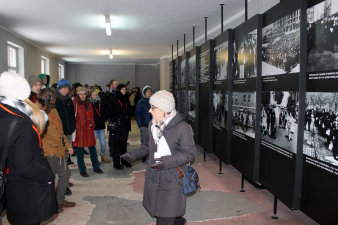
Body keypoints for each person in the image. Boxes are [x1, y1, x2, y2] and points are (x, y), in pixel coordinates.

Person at [121, 90, 195, 225]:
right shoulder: (153, 125)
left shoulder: (183, 128)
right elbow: (148, 147)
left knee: (164, 214)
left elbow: (189, 154)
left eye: (153, 108)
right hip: (154, 176)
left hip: (172, 179)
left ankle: (174, 219)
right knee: (160, 209)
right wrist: (132, 155)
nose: (150, 111)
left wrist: (165, 162)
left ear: (164, 110)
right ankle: (177, 220)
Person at [0, 72, 57, 225]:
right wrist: (48, 176)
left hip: (12, 182)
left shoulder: (4, 112)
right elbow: (24, 166)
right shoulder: (21, 122)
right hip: (26, 188)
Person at [38, 88, 76, 212]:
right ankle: (49, 205)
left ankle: (59, 201)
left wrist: (68, 146)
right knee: (49, 180)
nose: (55, 100)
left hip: (59, 149)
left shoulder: (53, 110)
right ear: (47, 98)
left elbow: (60, 130)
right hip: (49, 151)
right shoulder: (37, 112)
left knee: (65, 174)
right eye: (53, 98)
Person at [73, 86, 103, 177]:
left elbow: (92, 116)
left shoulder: (88, 103)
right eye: (81, 94)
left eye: (84, 94)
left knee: (92, 150)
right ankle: (82, 170)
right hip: (79, 130)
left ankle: (96, 167)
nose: (83, 96)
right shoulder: (75, 103)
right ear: (77, 94)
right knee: (80, 152)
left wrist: (92, 123)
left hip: (89, 130)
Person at [106, 84, 131, 169]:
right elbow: (109, 112)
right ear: (118, 90)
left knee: (123, 145)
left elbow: (129, 111)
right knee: (116, 146)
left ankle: (125, 161)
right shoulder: (114, 99)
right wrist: (119, 111)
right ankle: (116, 164)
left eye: (125, 89)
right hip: (117, 126)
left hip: (125, 126)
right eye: (122, 89)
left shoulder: (126, 99)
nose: (124, 91)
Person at [90, 91, 111, 163]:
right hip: (94, 128)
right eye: (93, 95)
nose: (95, 96)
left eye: (96, 95)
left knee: (103, 143)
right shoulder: (90, 105)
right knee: (93, 143)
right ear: (91, 96)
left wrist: (104, 119)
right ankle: (95, 158)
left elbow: (105, 112)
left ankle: (103, 155)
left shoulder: (101, 103)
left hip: (101, 127)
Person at [135, 85, 153, 163]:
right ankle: (144, 158)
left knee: (152, 142)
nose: (149, 93)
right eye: (147, 91)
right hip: (144, 125)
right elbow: (137, 114)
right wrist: (140, 125)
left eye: (150, 91)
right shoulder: (141, 102)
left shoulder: (154, 102)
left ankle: (151, 157)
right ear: (144, 93)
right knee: (144, 142)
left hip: (153, 125)